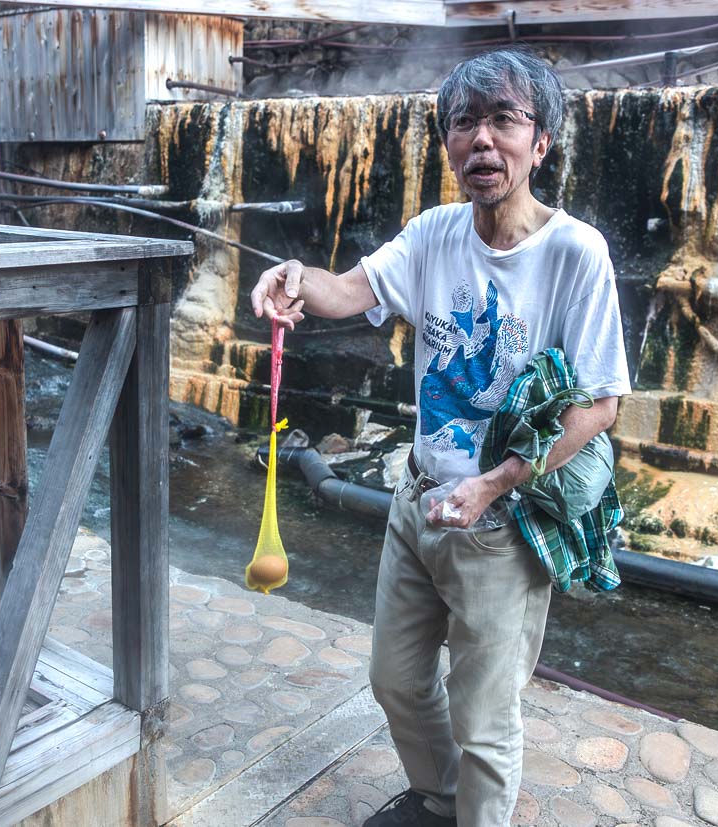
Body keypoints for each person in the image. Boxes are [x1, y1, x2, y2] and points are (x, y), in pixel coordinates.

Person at [249, 49, 631, 827]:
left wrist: (493, 482)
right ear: (449, 141)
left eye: (504, 120)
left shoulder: (573, 254)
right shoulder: (433, 233)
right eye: (465, 122)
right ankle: (439, 799)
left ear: (542, 142)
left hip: (499, 525)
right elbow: (350, 289)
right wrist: (294, 275)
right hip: (417, 503)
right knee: (394, 678)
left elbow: (600, 406)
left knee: (485, 721)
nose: (482, 141)